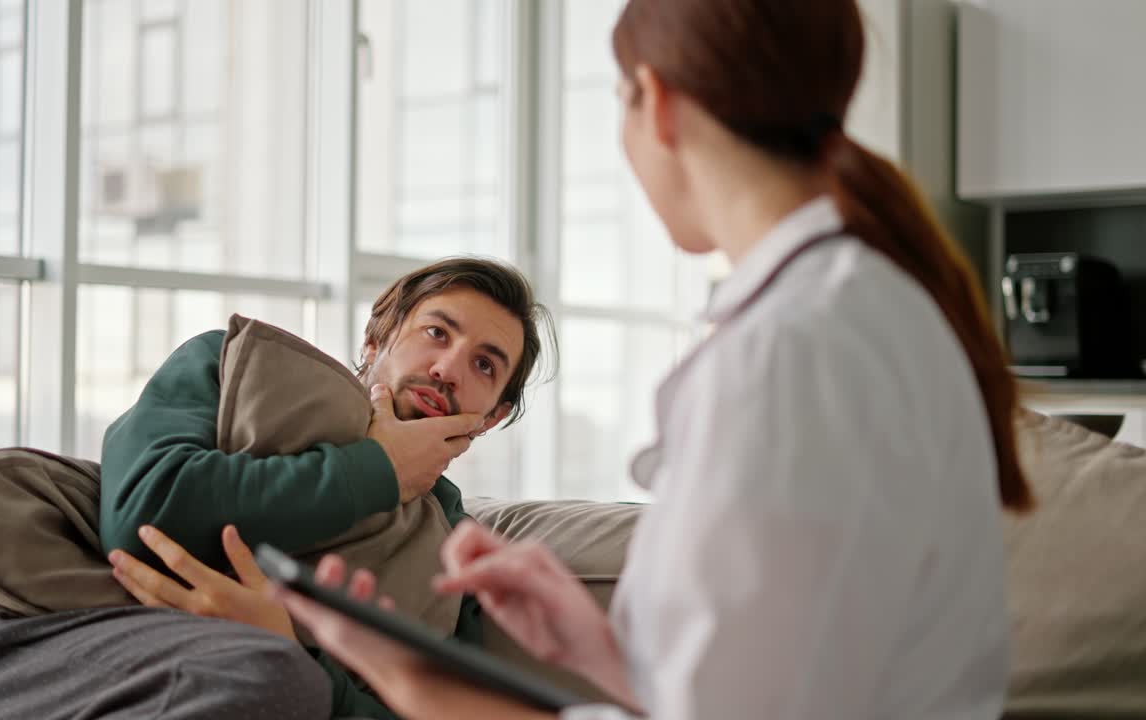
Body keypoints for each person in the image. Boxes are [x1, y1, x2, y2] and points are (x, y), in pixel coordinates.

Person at [257, 1, 1034, 718]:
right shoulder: (877, 306)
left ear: (655, 103)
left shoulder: (784, 353)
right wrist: (597, 649)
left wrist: (413, 680)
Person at [0, 257, 554, 720]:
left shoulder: (457, 555)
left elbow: (435, 708)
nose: (448, 367)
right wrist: (375, 469)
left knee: (275, 681)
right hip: (24, 634)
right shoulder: (234, 368)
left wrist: (289, 641)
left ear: (491, 415)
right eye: (436, 332)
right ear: (377, 339)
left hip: (227, 686)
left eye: (484, 365)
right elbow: (142, 517)